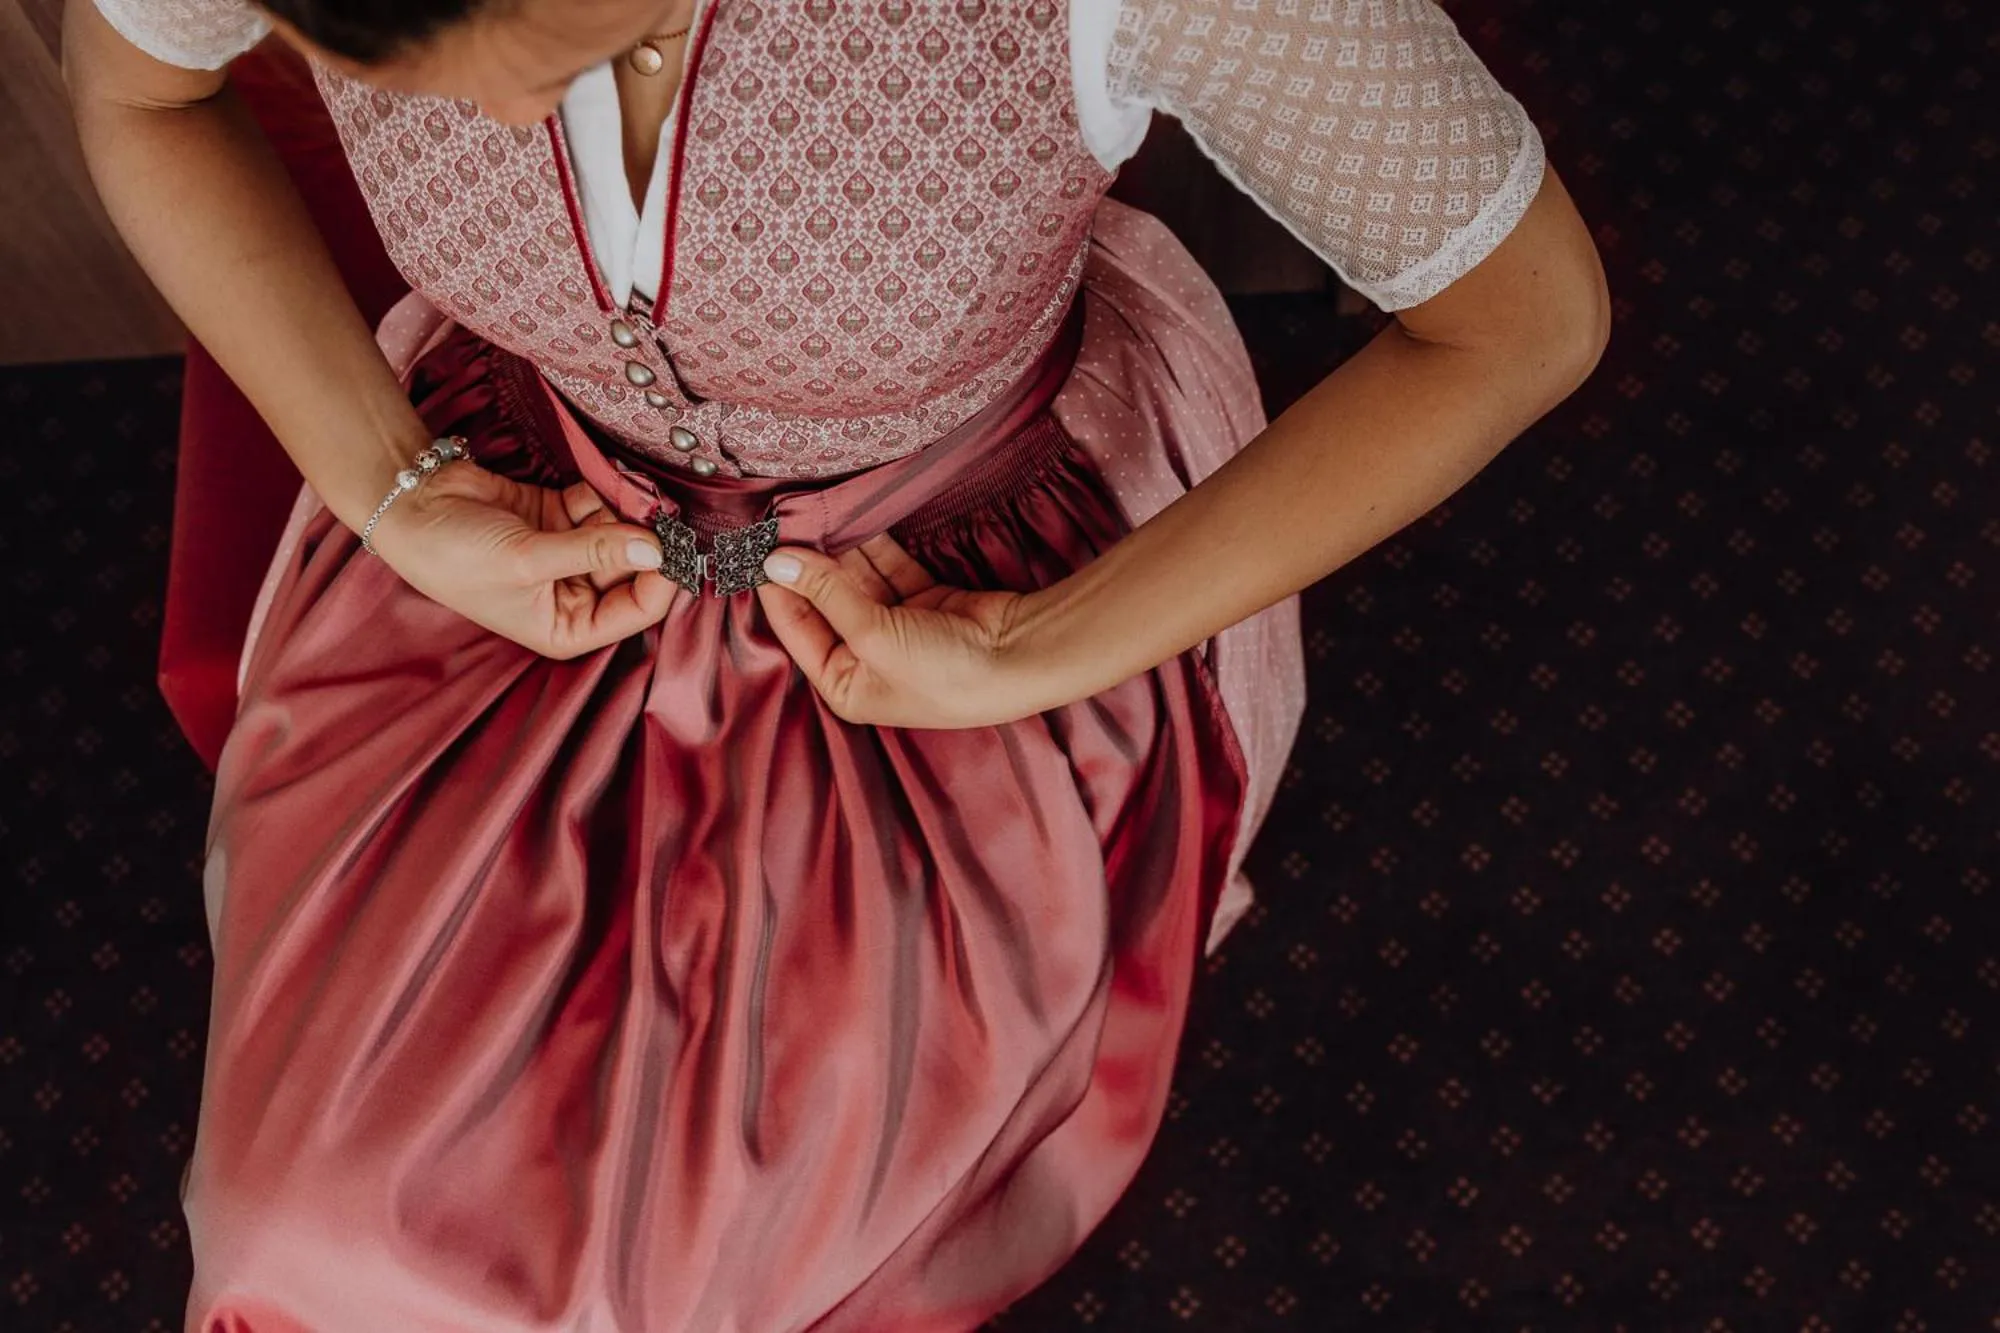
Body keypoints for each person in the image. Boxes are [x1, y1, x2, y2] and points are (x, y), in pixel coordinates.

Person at [64, 0, 1607, 1326]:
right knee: (297, 1247)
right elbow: (138, 89)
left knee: (726, 1276)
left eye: (526, 46)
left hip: (973, 593)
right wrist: (392, 490)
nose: (491, 116)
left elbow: (1524, 321)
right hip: (506, 542)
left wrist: (1032, 648)